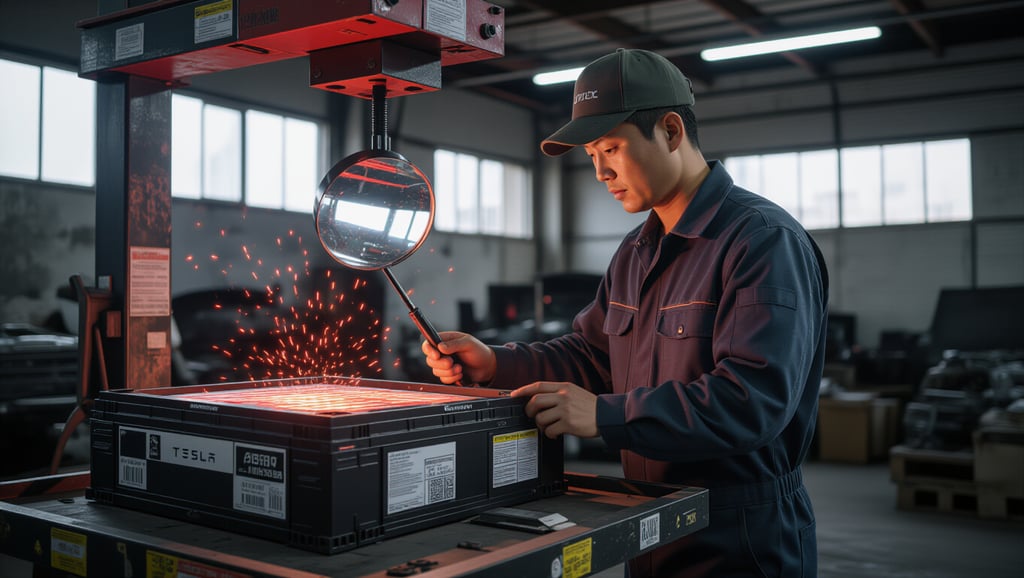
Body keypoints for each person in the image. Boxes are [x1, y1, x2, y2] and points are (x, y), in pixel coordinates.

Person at [422, 48, 829, 577]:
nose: (599, 171)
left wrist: (606, 416)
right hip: (654, 521)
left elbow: (753, 401)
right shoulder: (637, 251)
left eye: (611, 148)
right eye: (591, 154)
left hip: (742, 536)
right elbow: (593, 356)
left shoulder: (761, 243)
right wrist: (495, 363)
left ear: (671, 130)